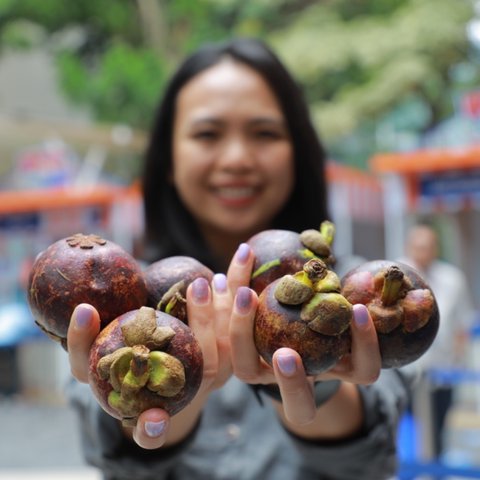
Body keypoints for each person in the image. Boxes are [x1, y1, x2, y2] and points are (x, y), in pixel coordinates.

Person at [66, 37, 414, 480]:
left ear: (298, 152)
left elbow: (369, 459)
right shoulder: (111, 300)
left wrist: (318, 381)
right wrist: (172, 396)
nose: (236, 159)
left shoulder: (359, 295)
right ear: (168, 158)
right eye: (207, 134)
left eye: (264, 133)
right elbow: (117, 458)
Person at [400, 222, 476, 460]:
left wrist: (457, 359)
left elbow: (462, 324)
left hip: (442, 372)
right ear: (409, 247)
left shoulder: (452, 279)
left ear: (436, 248)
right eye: (418, 246)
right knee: (405, 434)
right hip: (406, 372)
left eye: (428, 246)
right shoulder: (395, 273)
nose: (423, 251)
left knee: (438, 433)